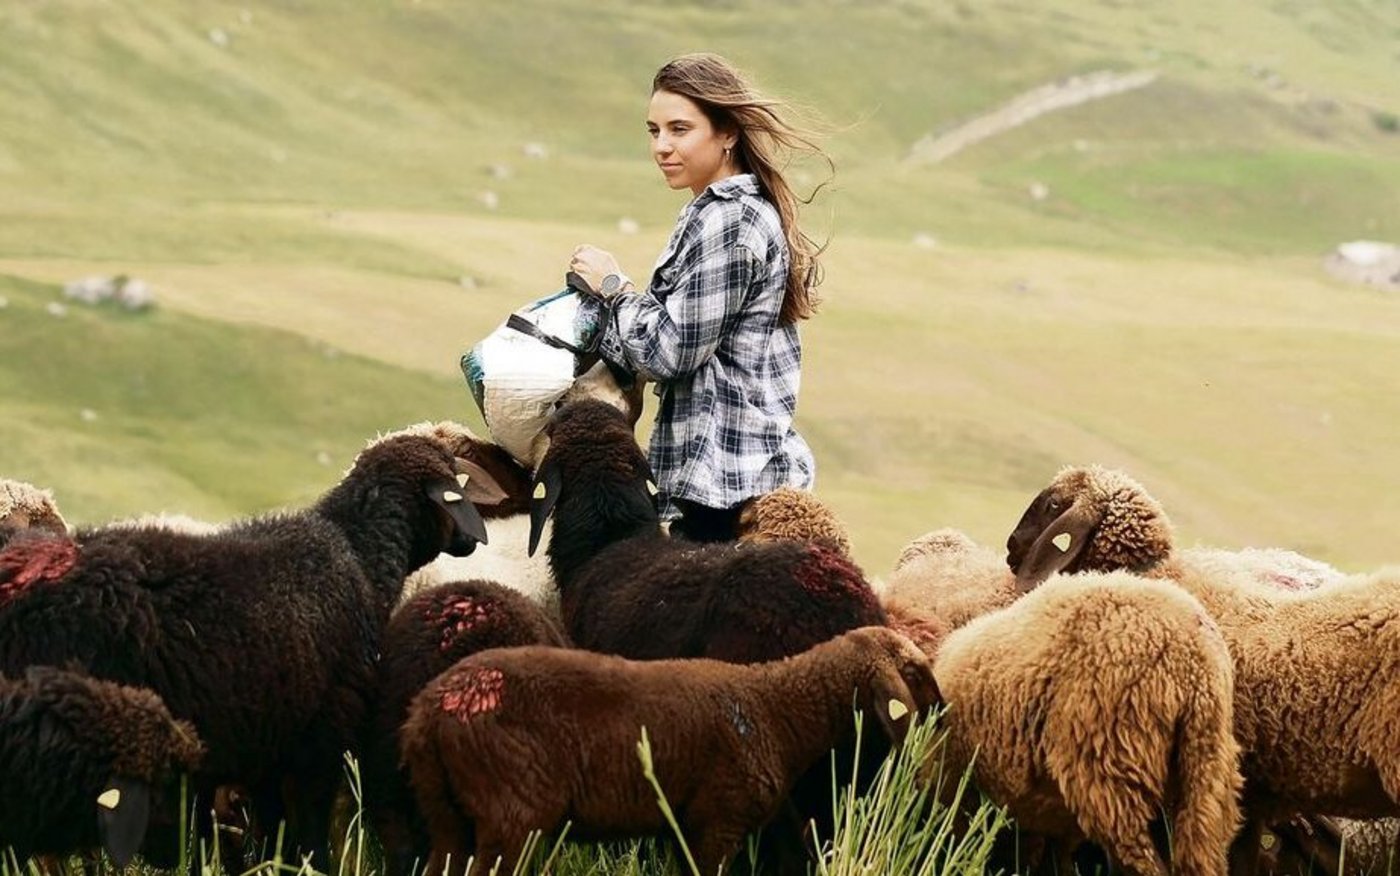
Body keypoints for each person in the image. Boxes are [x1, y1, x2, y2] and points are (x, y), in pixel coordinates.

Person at [568, 53, 830, 543]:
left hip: (728, 489)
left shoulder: (733, 221)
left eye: (680, 129)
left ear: (727, 132)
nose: (661, 147)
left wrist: (614, 287)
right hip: (716, 481)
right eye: (654, 131)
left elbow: (670, 351)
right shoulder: (710, 212)